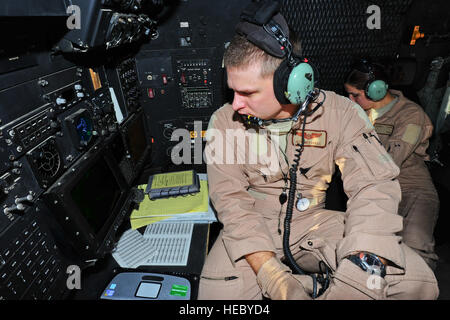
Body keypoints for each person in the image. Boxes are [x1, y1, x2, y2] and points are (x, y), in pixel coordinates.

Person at [199, 1, 438, 300]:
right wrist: (270, 273)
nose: (235, 103)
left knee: (417, 282)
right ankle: (311, 286)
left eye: (246, 92)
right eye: (232, 90)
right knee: (217, 298)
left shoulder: (341, 113)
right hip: (250, 226)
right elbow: (231, 202)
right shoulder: (225, 120)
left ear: (291, 84)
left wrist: (362, 268)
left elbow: (373, 187)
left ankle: (312, 287)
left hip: (313, 224)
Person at [344, 59, 440, 270]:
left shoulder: (411, 115)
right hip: (377, 191)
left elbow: (392, 159)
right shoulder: (358, 114)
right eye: (348, 95)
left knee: (416, 251)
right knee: (372, 255)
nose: (350, 100)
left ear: (377, 90)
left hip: (413, 191)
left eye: (355, 95)